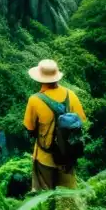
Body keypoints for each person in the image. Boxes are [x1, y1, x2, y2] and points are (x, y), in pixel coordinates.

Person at [22, 59, 86, 191]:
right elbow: (81, 121)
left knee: (44, 197)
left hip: (45, 157)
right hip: (67, 157)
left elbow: (29, 128)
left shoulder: (35, 100)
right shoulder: (71, 95)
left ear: (39, 79)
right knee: (68, 198)